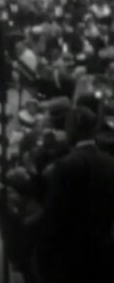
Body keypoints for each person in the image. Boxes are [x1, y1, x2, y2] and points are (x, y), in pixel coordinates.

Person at [37, 106, 114, 283]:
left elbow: (54, 216)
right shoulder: (110, 162)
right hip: (103, 255)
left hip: (69, 257)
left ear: (72, 129)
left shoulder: (65, 165)